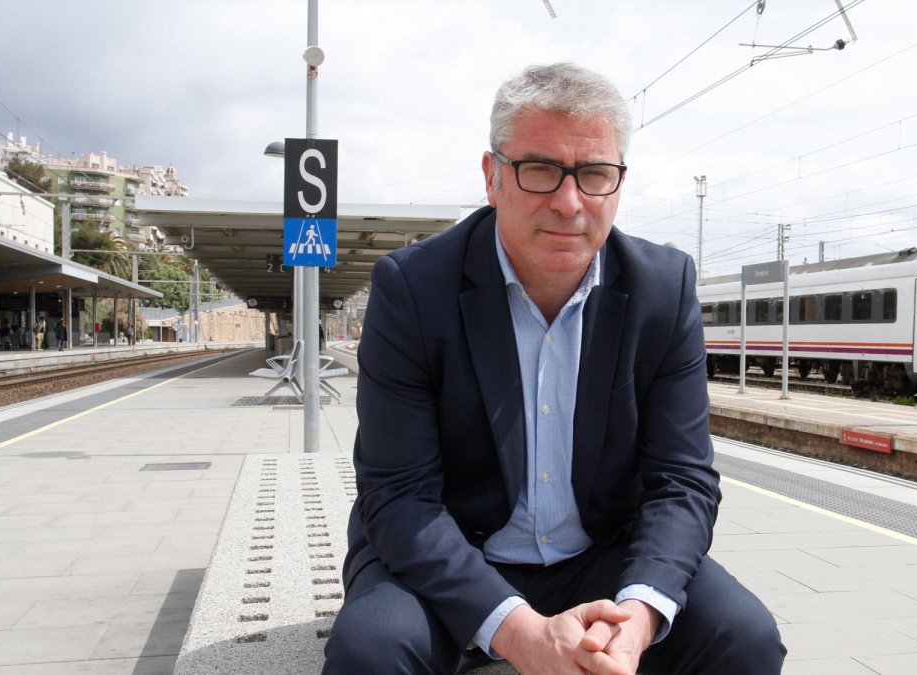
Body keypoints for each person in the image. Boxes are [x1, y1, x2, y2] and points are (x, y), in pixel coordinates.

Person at [323, 63, 785, 675]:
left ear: (618, 183)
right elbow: (399, 496)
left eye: (594, 174)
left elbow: (682, 481)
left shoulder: (662, 288)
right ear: (493, 177)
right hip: (453, 553)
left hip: (602, 554)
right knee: (371, 652)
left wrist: (639, 615)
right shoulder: (413, 289)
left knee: (745, 637)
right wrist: (521, 634)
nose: (569, 203)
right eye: (539, 170)